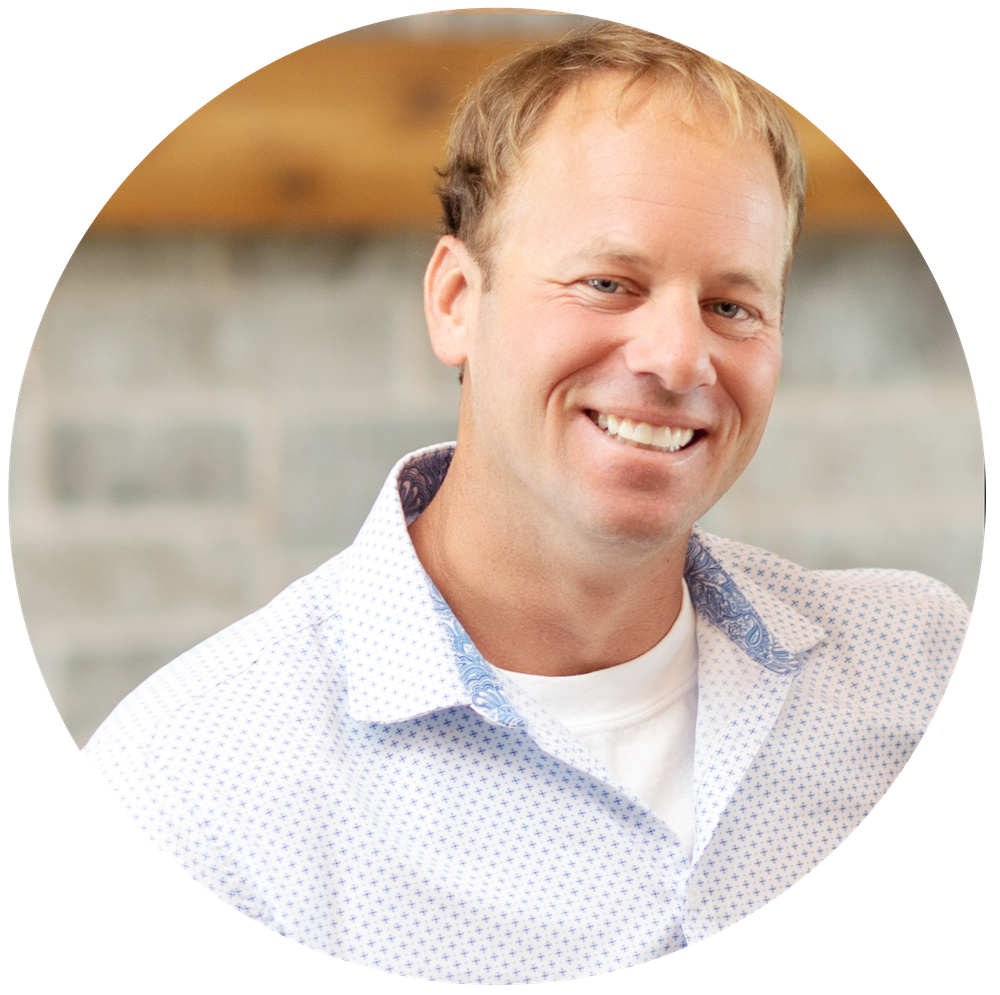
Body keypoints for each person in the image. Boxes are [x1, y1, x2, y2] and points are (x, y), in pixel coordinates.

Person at [82, 25, 969, 984]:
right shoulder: (193, 784)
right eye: (606, 283)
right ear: (458, 298)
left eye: (733, 305)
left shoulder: (912, 671)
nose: (678, 359)